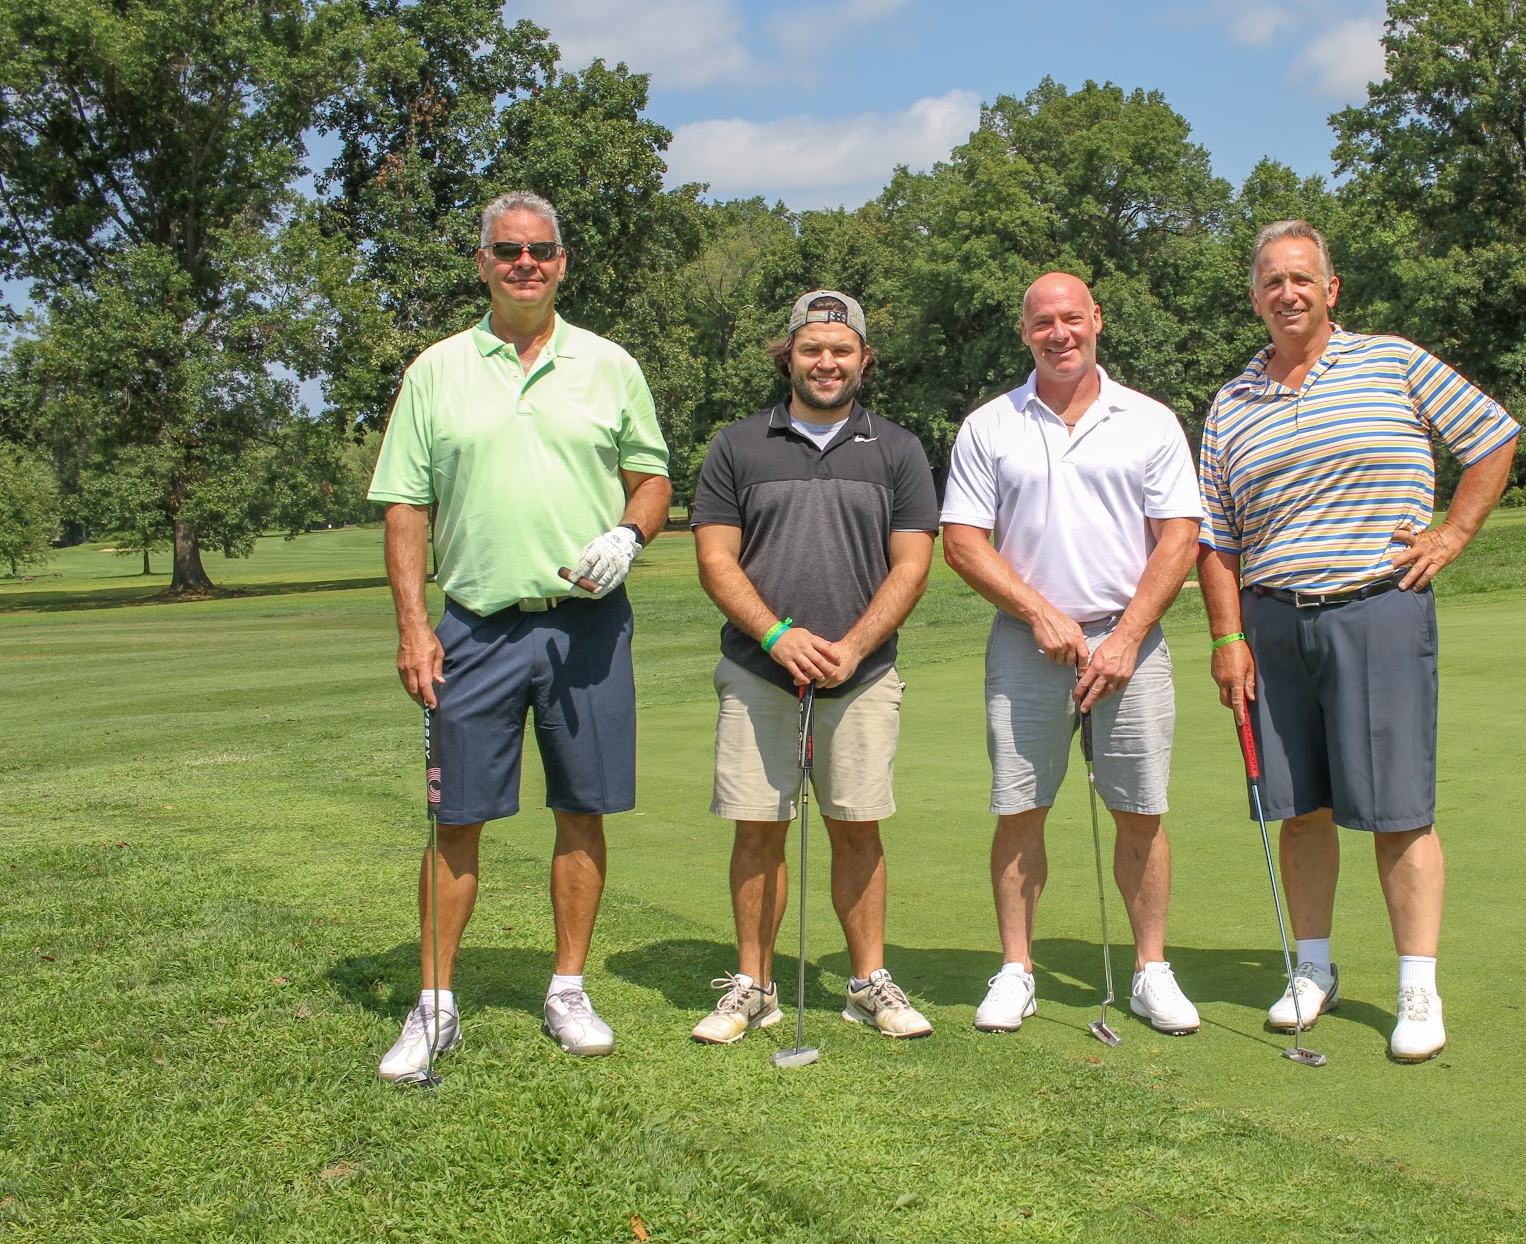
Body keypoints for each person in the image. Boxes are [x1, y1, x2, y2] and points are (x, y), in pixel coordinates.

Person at [1195, 220, 1518, 1063]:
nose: (1288, 293)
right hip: (1272, 621)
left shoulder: (1392, 362)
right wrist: (1227, 636)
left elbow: (1493, 436)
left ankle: (1418, 986)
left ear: (1330, 289)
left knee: (1398, 808)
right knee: (1300, 808)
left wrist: (1453, 533)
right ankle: (1313, 968)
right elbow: (1216, 538)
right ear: (1255, 296)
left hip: (1378, 607)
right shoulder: (1231, 403)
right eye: (1273, 281)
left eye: (1302, 278)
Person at [368, 190, 672, 1080]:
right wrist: (414, 625)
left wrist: (630, 534)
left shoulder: (610, 364)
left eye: (541, 249)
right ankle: (435, 1004)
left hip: (588, 627)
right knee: (454, 816)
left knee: (582, 809)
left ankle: (567, 987)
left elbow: (651, 477)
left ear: (563, 261)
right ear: (483, 263)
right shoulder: (436, 370)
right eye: (508, 250)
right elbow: (405, 505)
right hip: (475, 626)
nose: (525, 263)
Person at [941, 272, 1204, 1035]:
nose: (1059, 333)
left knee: (1141, 809)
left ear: (1097, 320)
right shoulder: (991, 424)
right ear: (1025, 333)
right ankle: (1016, 969)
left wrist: (1125, 637)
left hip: (1132, 640)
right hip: (1028, 641)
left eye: (1071, 318)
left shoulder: (1149, 420)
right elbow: (963, 542)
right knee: (1019, 807)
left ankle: (1151, 970)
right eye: (1042, 323)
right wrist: (1041, 613)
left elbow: (1179, 537)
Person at [687, 289, 939, 1043]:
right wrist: (777, 637)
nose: (826, 362)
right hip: (759, 670)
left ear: (864, 359)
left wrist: (853, 646)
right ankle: (754, 986)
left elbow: (912, 564)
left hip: (861, 675)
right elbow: (716, 559)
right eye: (811, 349)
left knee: (857, 827)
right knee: (758, 828)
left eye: (841, 350)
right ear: (788, 356)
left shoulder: (898, 449)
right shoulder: (738, 445)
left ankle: (867, 983)